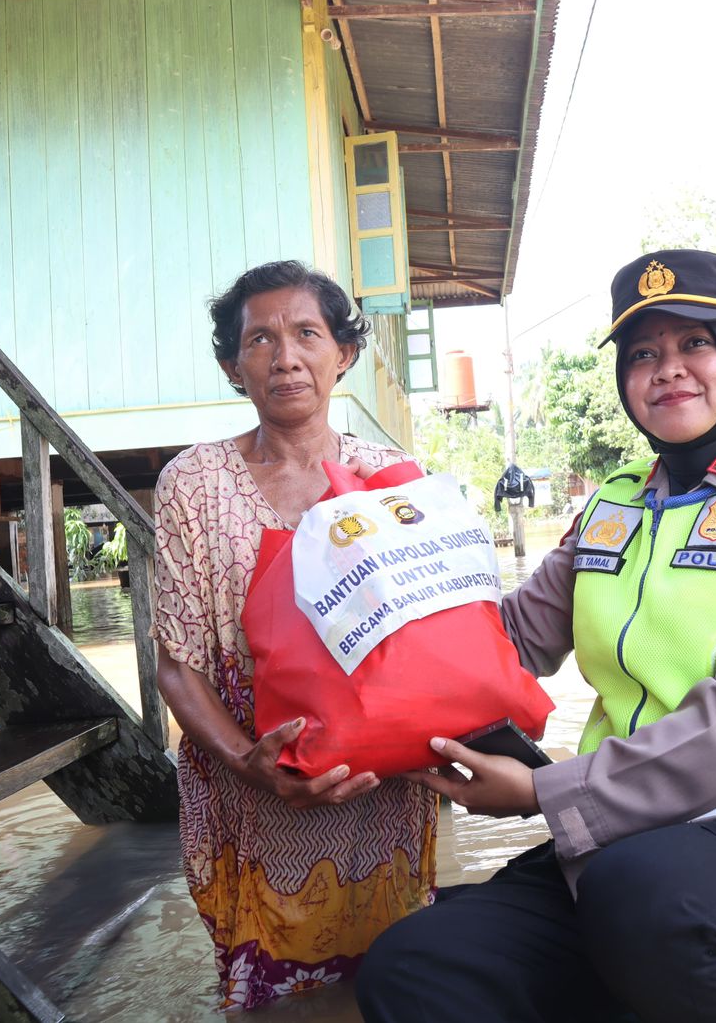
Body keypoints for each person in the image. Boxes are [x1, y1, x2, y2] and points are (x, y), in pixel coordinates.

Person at [356, 250, 716, 1023]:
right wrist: (370, 641)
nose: (668, 370)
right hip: (629, 850)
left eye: (694, 344)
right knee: (414, 966)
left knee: (643, 894)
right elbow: (506, 645)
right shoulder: (612, 508)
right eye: (643, 354)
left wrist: (544, 794)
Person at [151, 261, 437, 1010]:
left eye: (307, 333)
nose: (286, 357)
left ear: (343, 353)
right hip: (253, 786)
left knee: (400, 977)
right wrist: (252, 765)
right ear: (231, 365)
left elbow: (437, 641)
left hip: (383, 790)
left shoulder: (395, 478)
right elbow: (178, 666)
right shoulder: (196, 482)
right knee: (269, 992)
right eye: (260, 340)